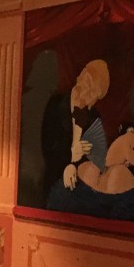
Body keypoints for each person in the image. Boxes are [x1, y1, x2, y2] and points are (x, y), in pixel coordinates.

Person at [40, 59, 110, 192]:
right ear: (83, 79)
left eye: (95, 96)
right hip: (55, 181)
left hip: (81, 187)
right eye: (91, 92)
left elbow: (97, 158)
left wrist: (76, 166)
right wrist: (69, 159)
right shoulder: (56, 105)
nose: (92, 100)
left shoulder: (94, 117)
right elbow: (47, 147)